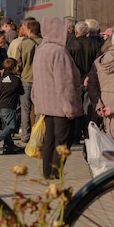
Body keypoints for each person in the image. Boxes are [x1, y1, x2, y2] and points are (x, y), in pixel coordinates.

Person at [32, 17, 82, 179]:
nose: (67, 34)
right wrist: (70, 108)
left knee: (49, 140)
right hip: (60, 106)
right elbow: (64, 83)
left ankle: (47, 173)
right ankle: (55, 174)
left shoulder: (41, 49)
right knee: (62, 141)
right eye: (65, 31)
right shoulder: (59, 52)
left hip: (45, 104)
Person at [66, 21, 102, 143]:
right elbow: (98, 63)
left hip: (74, 80)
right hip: (90, 79)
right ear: (87, 33)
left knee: (76, 108)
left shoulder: (70, 45)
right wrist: (89, 76)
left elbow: (67, 64)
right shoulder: (95, 44)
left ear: (76, 32)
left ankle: (75, 136)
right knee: (88, 108)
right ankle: (88, 134)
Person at [13, 18, 42, 144]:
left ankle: (25, 136)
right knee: (39, 109)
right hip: (40, 80)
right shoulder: (44, 43)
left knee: (25, 109)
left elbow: (18, 63)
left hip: (26, 79)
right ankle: (37, 137)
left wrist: (19, 72)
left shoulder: (23, 44)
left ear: (29, 30)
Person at [0, 58, 24, 155]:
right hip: (9, 107)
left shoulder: (1, 79)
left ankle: (8, 147)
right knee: (12, 126)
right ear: (14, 68)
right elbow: (22, 92)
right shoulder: (16, 80)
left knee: (6, 127)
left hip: (0, 106)